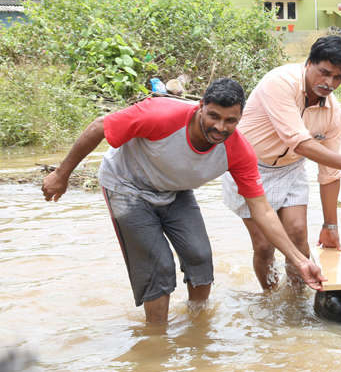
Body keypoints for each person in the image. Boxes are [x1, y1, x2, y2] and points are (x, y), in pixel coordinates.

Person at [41, 79, 325, 323]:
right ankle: (157, 339)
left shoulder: (238, 150)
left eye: (230, 121)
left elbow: (262, 209)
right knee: (159, 267)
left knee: (200, 257)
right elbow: (101, 125)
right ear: (200, 105)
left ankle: (196, 326)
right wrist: (62, 174)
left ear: (240, 118)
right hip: (127, 186)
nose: (220, 127)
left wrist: (300, 260)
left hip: (176, 190)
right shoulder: (161, 116)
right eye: (213, 116)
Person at [222, 36, 341, 291]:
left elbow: (329, 173)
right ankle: (270, 298)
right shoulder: (279, 82)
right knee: (265, 246)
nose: (329, 83)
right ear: (309, 63)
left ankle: (297, 300)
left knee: (299, 234)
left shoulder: (334, 114)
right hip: (248, 168)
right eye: (324, 73)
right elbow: (298, 142)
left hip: (290, 168)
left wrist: (330, 226)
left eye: (338, 77)